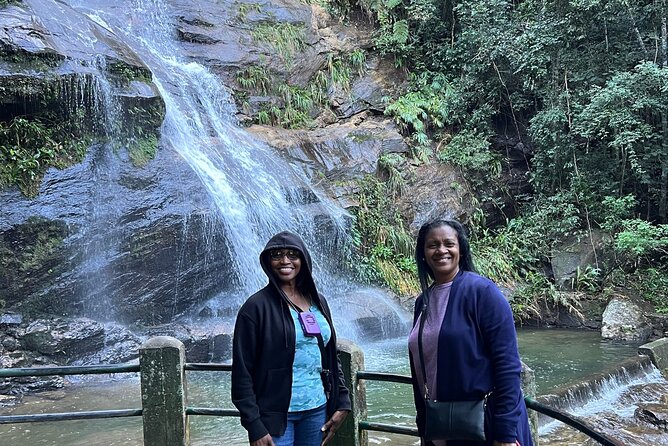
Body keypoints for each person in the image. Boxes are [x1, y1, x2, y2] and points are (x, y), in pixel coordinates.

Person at [408, 219, 534, 446]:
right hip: (442, 424)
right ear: (423, 253)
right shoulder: (422, 302)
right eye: (433, 245)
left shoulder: (482, 292)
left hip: (485, 426)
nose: (441, 250)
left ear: (461, 249)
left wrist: (506, 432)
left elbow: (507, 364)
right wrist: (423, 424)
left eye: (449, 243)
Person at [232, 231, 351, 446]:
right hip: (275, 415)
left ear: (303, 259)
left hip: (316, 409)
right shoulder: (255, 308)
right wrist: (254, 425)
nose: (285, 260)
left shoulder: (318, 301)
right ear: (268, 261)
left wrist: (342, 401)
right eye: (277, 254)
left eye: (292, 254)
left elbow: (329, 354)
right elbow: (242, 371)